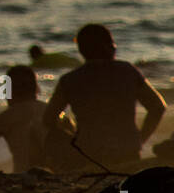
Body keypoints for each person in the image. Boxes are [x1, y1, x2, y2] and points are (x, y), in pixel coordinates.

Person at [40, 24, 166, 173]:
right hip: (126, 149)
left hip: (88, 152)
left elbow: (48, 119)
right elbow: (158, 107)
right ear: (108, 46)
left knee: (53, 137)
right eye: (112, 43)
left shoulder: (70, 80)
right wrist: (140, 139)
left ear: (81, 50)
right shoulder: (127, 71)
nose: (115, 47)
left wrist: (69, 132)